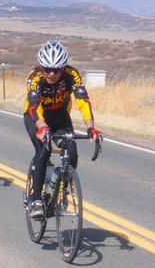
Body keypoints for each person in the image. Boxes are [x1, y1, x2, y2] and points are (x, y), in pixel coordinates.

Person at [23, 40, 101, 218]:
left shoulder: (71, 74)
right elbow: (35, 106)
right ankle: (36, 200)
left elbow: (82, 100)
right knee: (44, 150)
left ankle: (61, 188)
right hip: (36, 117)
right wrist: (42, 127)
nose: (51, 73)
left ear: (63, 68)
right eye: (47, 69)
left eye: (57, 70)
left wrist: (91, 127)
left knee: (71, 153)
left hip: (60, 117)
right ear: (41, 67)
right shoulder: (34, 77)